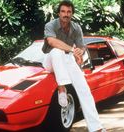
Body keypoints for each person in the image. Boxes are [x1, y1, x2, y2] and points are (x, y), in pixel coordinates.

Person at [42, 1, 106, 132]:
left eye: (69, 12)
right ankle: (62, 88)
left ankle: (96, 128)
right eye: (63, 11)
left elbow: (82, 46)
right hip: (49, 60)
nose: (66, 14)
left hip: (67, 59)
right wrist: (72, 49)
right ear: (58, 13)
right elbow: (51, 41)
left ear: (72, 13)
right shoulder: (50, 25)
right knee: (56, 51)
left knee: (84, 89)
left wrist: (79, 52)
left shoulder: (76, 28)